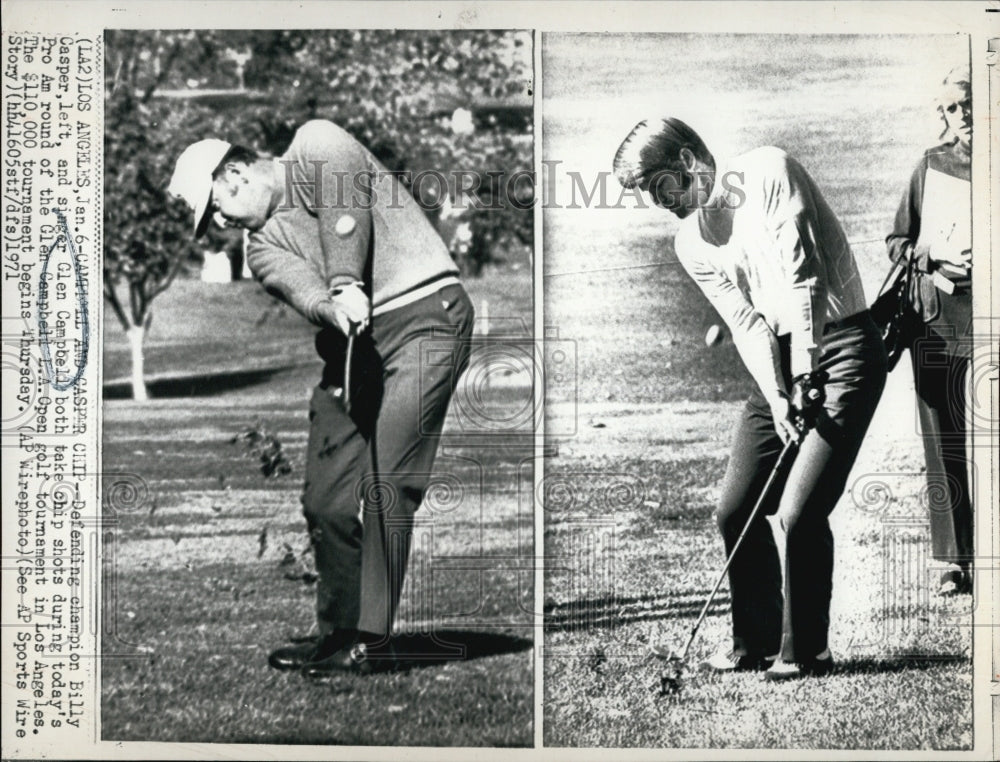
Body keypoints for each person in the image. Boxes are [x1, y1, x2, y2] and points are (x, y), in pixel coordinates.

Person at [168, 119, 474, 676]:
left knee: (388, 487)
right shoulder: (260, 249)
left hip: (428, 318)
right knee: (326, 497)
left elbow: (344, 210)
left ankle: (371, 640)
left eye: (214, 209)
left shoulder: (316, 144)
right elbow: (304, 292)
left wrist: (346, 284)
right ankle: (337, 635)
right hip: (354, 340)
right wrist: (335, 304)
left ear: (235, 175)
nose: (217, 225)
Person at [613, 118, 888, 680]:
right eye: (643, 193)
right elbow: (746, 323)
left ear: (688, 160)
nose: (654, 202)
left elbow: (803, 274)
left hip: (844, 347)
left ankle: (807, 650)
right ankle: (753, 644)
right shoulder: (690, 240)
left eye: (656, 185)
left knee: (800, 511)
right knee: (736, 508)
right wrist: (778, 395)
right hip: (785, 361)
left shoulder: (768, 170)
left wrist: (808, 370)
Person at [885, 65, 973, 596]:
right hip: (936, 322)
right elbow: (898, 240)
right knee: (944, 441)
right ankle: (955, 561)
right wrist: (929, 253)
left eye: (965, 104)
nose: (959, 117)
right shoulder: (931, 165)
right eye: (949, 109)